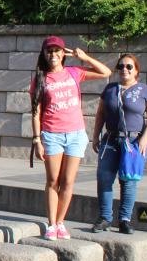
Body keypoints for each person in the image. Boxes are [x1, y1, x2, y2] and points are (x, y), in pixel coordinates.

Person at [29, 35, 110, 241]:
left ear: (63, 53)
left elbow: (106, 72)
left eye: (57, 50)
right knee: (53, 180)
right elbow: (36, 112)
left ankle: (60, 222)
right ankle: (51, 224)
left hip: (75, 134)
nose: (53, 54)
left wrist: (83, 57)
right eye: (49, 51)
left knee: (68, 181)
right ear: (44, 54)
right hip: (52, 134)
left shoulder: (74, 72)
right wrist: (37, 140)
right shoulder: (40, 79)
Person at [91, 53, 147, 233]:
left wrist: (145, 138)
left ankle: (124, 220)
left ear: (136, 70)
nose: (124, 69)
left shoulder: (145, 90)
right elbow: (101, 114)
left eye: (129, 66)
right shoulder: (110, 89)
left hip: (134, 141)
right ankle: (105, 218)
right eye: (121, 66)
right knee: (104, 178)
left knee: (128, 180)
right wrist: (96, 135)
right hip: (111, 139)